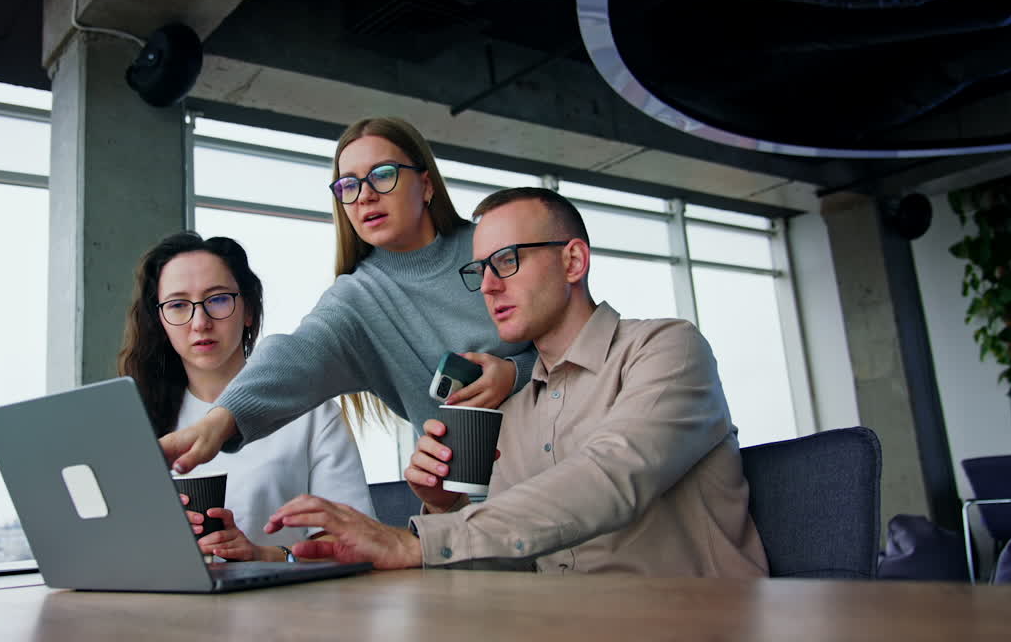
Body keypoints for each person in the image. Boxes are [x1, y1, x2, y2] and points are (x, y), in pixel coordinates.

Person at [263, 188, 770, 577]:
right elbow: (511, 546)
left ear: (573, 260)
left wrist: (419, 542)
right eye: (480, 268)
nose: (487, 285)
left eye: (508, 260)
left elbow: (610, 478)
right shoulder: (510, 411)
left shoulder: (666, 350)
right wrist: (445, 503)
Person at [159, 118, 537, 474]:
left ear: (426, 185)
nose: (365, 196)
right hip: (470, 503)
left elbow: (581, 340)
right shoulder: (357, 299)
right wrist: (218, 420)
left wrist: (514, 373)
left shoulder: (491, 247)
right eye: (348, 185)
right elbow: (293, 354)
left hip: (567, 468)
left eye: (383, 175)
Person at [117, 232, 375, 561]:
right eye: (179, 305)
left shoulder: (312, 413)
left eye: (218, 299)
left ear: (248, 310)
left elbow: (353, 544)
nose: (200, 322)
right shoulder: (136, 418)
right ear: (160, 321)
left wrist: (264, 555)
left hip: (288, 607)